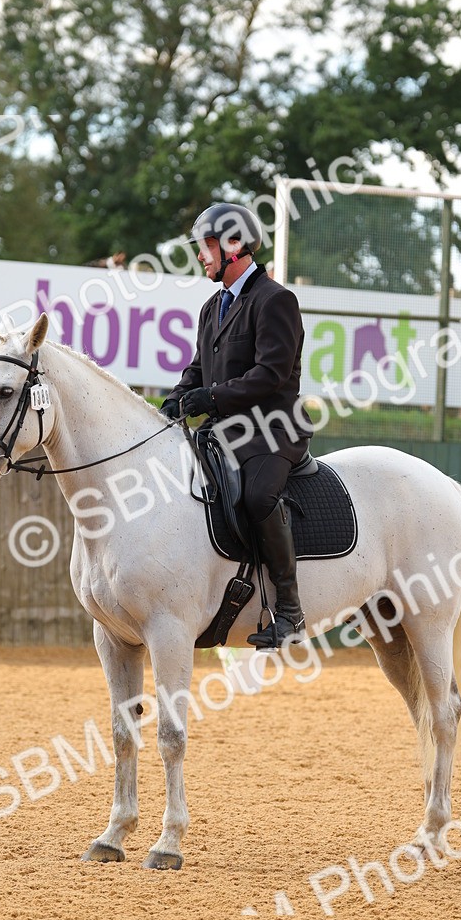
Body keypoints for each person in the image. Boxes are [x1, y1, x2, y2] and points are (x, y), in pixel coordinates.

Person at [161, 202, 311, 648]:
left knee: (257, 495)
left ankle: (290, 611)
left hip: (272, 430)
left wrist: (212, 397)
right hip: (225, 433)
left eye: (206, 246)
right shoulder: (213, 307)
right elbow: (198, 368)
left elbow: (271, 374)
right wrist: (174, 400)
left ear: (234, 246)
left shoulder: (276, 300)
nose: (200, 255)